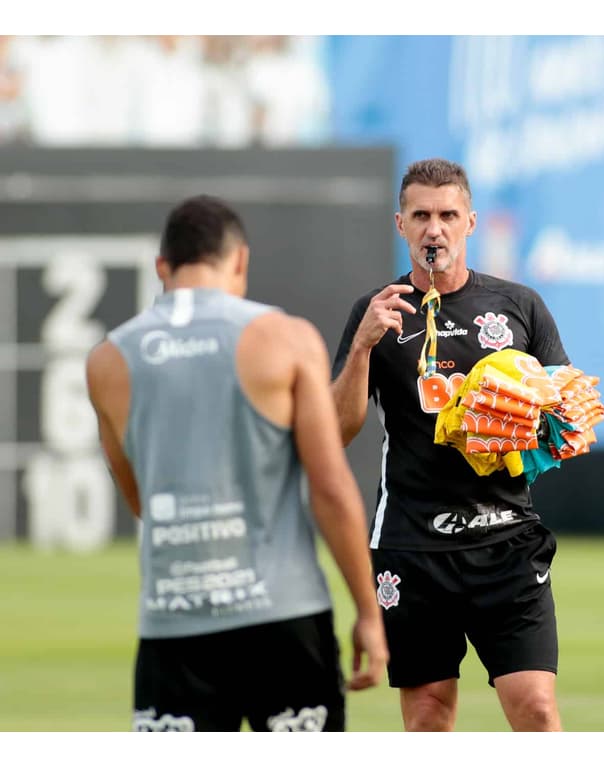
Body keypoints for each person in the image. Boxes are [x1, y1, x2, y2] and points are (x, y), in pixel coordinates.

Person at [85, 195, 387, 731]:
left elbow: (139, 498)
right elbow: (331, 487)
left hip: (174, 623)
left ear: (162, 268)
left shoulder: (106, 360)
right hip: (285, 619)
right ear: (241, 261)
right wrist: (367, 612)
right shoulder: (286, 338)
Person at [330, 158, 567, 731]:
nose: (434, 228)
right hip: (413, 544)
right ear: (400, 224)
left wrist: (515, 419)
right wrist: (362, 347)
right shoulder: (376, 312)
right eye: (421, 215)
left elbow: (564, 415)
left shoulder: (519, 306)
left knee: (535, 706)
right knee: (429, 716)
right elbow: (335, 429)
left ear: (470, 222)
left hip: (506, 539)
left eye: (447, 215)